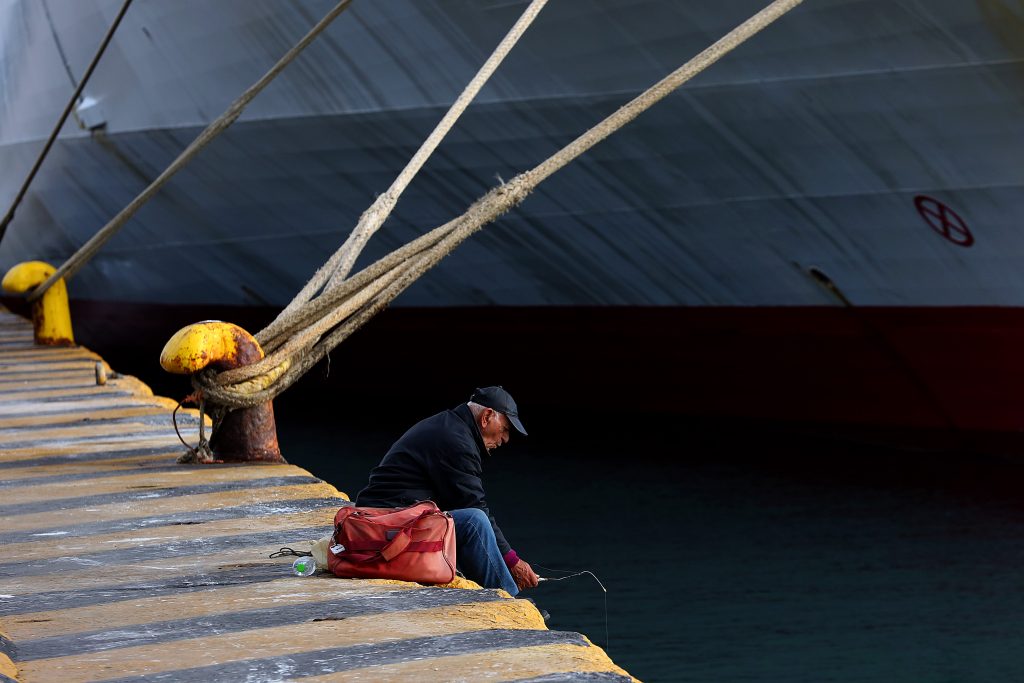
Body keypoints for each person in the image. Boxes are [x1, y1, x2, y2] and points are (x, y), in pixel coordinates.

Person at [355, 386, 540, 596]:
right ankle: (508, 598)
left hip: (392, 519)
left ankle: (494, 593)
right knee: (474, 521)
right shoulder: (457, 441)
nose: (505, 439)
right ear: (487, 416)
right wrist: (512, 561)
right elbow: (472, 505)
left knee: (463, 519)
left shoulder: (450, 426)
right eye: (505, 429)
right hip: (387, 526)